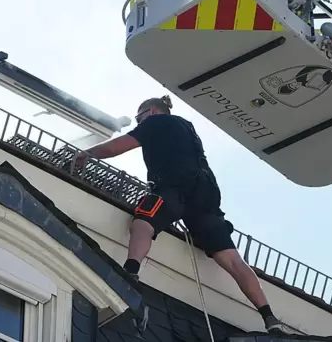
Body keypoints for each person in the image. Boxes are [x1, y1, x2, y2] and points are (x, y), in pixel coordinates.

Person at [73, 95, 295, 335]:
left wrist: (87, 153)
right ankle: (270, 318)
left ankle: (130, 272)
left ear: (153, 112)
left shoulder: (156, 123)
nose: (138, 122)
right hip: (205, 194)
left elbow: (116, 147)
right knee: (232, 259)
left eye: (140, 117)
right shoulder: (187, 128)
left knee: (144, 219)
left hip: (175, 186)